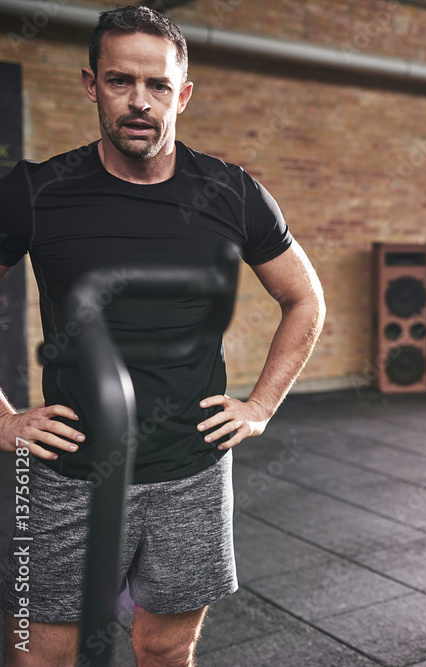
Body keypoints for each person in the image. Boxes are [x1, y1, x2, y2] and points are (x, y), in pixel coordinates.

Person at [0, 6, 325, 666]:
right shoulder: (36, 192)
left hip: (190, 470)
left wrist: (260, 406)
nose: (139, 102)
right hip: (69, 473)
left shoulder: (231, 194)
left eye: (157, 85)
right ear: (92, 84)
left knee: (167, 647)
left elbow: (304, 299)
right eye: (121, 81)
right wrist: (2, 420)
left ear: (184, 93)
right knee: (42, 655)